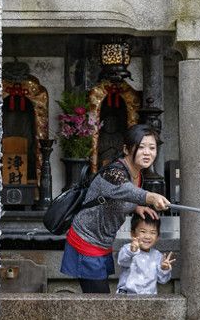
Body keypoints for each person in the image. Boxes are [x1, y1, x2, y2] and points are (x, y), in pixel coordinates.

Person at [60, 123, 170, 293]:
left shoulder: (137, 173)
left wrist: (135, 207)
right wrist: (150, 196)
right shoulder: (114, 173)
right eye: (141, 147)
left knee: (99, 301)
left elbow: (122, 197)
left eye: (152, 148)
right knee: (100, 301)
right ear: (126, 149)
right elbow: (124, 190)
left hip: (103, 243)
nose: (147, 152)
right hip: (86, 240)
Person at [116, 214, 175, 294]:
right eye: (143, 231)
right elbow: (122, 261)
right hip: (127, 295)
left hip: (149, 297)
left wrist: (164, 269)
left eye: (152, 232)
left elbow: (162, 280)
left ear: (157, 236)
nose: (147, 236)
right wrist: (132, 251)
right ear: (133, 233)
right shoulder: (128, 249)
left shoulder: (157, 256)